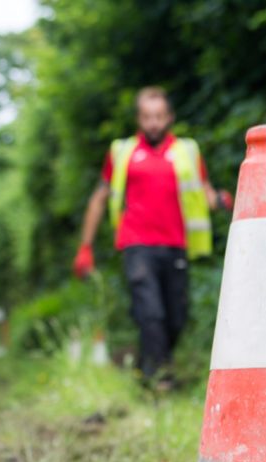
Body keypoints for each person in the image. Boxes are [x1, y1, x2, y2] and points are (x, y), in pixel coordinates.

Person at [73, 86, 231, 384]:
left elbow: (204, 190)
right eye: (147, 117)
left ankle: (148, 364)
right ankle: (159, 379)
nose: (154, 123)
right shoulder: (122, 152)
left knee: (176, 318)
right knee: (151, 313)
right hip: (137, 245)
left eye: (159, 116)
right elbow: (99, 198)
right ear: (138, 119)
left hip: (176, 244)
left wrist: (220, 200)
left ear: (169, 117)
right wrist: (86, 246)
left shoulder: (187, 151)